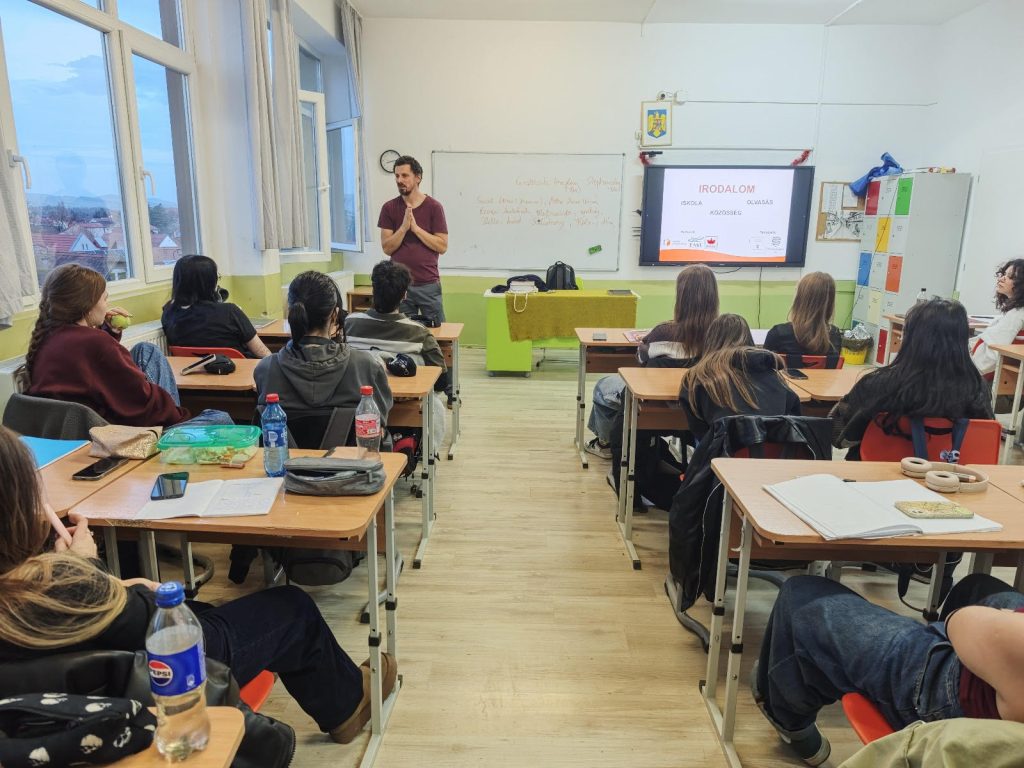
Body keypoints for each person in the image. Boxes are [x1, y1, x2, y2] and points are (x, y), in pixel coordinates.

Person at [0, 426, 397, 746]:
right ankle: (348, 705)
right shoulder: (72, 593)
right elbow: (152, 625)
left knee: (205, 607)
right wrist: (88, 568)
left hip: (53, 717)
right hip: (162, 690)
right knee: (293, 609)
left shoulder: (36, 595)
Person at [753, 573, 1024, 766]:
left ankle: (791, 724)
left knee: (801, 594)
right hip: (1002, 668)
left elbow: (961, 622)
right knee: (978, 587)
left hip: (962, 701)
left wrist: (981, 626)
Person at [25, 263, 194, 428]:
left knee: (145, 350)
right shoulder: (95, 342)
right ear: (87, 305)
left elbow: (94, 370)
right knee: (214, 416)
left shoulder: (47, 337)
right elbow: (139, 402)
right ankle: (179, 431)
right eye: (105, 299)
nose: (107, 305)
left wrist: (108, 332)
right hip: (110, 432)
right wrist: (180, 417)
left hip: (69, 430)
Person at [585, 264, 719, 459]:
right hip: (700, 408)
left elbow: (641, 361)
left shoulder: (664, 332)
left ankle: (605, 444)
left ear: (681, 296)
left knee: (602, 387)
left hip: (655, 406)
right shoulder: (720, 333)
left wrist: (645, 343)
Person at [830, 299, 993, 459]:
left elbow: (838, 436)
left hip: (874, 472)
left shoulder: (878, 384)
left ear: (910, 338)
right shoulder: (976, 388)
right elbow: (985, 436)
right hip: (947, 472)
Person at [254, 270, 392, 420]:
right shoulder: (366, 366)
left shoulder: (265, 369)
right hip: (351, 436)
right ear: (335, 315)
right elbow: (380, 421)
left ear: (291, 313)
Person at [680, 314, 802, 441]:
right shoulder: (776, 377)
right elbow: (795, 420)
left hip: (722, 450)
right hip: (775, 451)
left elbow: (698, 430)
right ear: (749, 339)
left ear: (710, 341)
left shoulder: (697, 378)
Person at [345, 259, 450, 399]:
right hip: (406, 403)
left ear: (373, 290)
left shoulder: (349, 323)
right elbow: (441, 383)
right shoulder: (420, 333)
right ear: (404, 295)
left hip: (358, 401)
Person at [378, 155, 448, 323]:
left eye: (405, 175)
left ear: (418, 177)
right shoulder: (389, 208)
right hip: (399, 286)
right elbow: (387, 248)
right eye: (397, 176)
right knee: (403, 332)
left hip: (428, 284)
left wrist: (416, 229)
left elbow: (442, 246)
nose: (399, 180)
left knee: (437, 331)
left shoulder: (434, 207)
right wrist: (403, 227)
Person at [162, 254, 271, 358]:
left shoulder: (168, 312)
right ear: (209, 282)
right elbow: (261, 352)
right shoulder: (230, 311)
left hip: (190, 370)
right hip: (237, 369)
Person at [763, 271, 841, 359]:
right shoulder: (835, 335)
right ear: (830, 303)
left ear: (799, 299)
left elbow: (763, 365)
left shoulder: (778, 333)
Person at [971, 259, 1024, 377]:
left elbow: (992, 356)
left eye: (1010, 277)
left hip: (981, 374)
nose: (1002, 278)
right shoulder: (1016, 312)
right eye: (1004, 274)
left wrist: (965, 370)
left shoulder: (1016, 315)